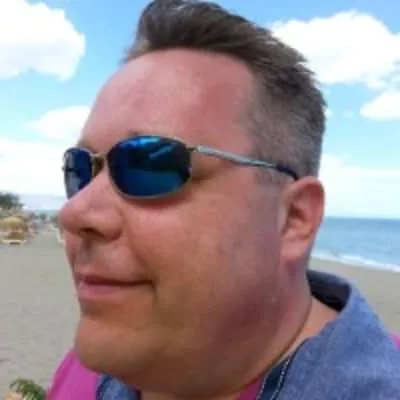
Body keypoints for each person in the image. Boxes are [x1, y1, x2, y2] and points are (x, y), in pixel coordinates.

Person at [49, 0, 400, 399]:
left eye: (148, 164)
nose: (74, 212)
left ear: (294, 218)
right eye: (80, 169)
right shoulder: (84, 372)